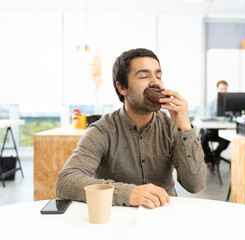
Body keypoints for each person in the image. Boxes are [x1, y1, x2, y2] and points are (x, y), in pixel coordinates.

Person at [56, 48, 206, 209]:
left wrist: (186, 129)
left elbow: (195, 185)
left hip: (164, 216)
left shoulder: (172, 127)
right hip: (117, 220)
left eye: (159, 76)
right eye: (143, 76)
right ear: (122, 88)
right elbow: (66, 181)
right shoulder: (102, 130)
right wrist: (128, 193)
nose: (155, 82)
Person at [201, 80, 230, 168]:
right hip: (213, 131)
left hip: (224, 132)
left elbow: (230, 119)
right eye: (221, 89)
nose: (223, 91)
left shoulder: (229, 104)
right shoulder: (211, 103)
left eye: (225, 89)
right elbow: (209, 118)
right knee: (204, 137)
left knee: (226, 140)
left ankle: (213, 157)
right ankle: (212, 157)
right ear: (217, 89)